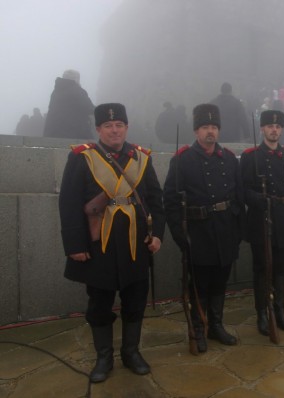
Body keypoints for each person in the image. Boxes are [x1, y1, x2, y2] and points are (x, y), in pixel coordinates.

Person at [58, 103, 165, 383]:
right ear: (98, 129)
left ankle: (131, 353)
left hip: (135, 244)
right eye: (108, 126)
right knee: (100, 303)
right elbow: (69, 204)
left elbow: (156, 200)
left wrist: (157, 235)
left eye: (119, 125)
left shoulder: (141, 158)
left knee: (135, 300)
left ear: (126, 128)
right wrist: (75, 245)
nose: (114, 130)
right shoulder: (83, 158)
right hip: (99, 245)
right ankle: (104, 357)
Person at [163, 104, 244, 352]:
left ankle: (216, 326)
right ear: (197, 130)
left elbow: (239, 198)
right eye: (205, 127)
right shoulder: (182, 159)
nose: (210, 132)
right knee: (198, 284)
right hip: (197, 234)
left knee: (220, 282)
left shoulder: (229, 159)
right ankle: (198, 327)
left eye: (214, 127)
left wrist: (237, 231)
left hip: (225, 230)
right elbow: (171, 201)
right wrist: (181, 237)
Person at [240, 110, 284, 336]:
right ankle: (262, 314)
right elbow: (242, 190)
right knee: (261, 268)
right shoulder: (250, 156)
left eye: (277, 127)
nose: (273, 130)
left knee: (281, 268)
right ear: (262, 129)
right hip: (260, 218)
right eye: (269, 126)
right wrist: (257, 199)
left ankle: (280, 311)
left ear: (281, 130)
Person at [43, 69, 95, 139]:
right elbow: (89, 108)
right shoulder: (77, 90)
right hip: (75, 132)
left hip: (53, 132)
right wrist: (103, 111)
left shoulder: (55, 92)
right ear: (76, 79)